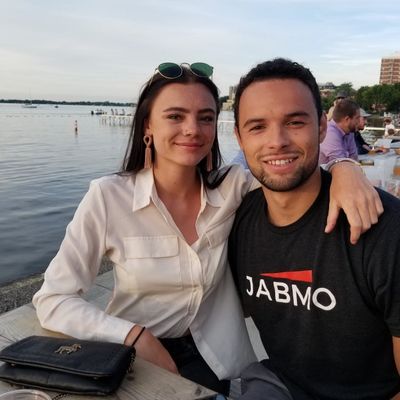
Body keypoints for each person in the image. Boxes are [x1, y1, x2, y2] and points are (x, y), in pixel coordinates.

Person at [33, 62, 381, 396]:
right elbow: (53, 298)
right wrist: (134, 336)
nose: (192, 129)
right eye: (175, 116)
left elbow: (292, 177)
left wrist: (345, 168)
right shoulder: (109, 197)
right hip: (132, 357)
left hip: (214, 359)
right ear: (147, 126)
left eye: (206, 117)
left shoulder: (233, 186)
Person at [229, 58, 400, 399]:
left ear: (322, 126)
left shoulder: (382, 227)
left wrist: (344, 165)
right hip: (280, 386)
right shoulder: (237, 217)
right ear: (239, 137)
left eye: (295, 122)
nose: (277, 141)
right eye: (257, 127)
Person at [319, 98, 360, 163]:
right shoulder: (330, 133)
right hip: (331, 169)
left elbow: (354, 158)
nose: (359, 121)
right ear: (347, 119)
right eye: (357, 118)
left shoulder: (349, 132)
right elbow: (340, 164)